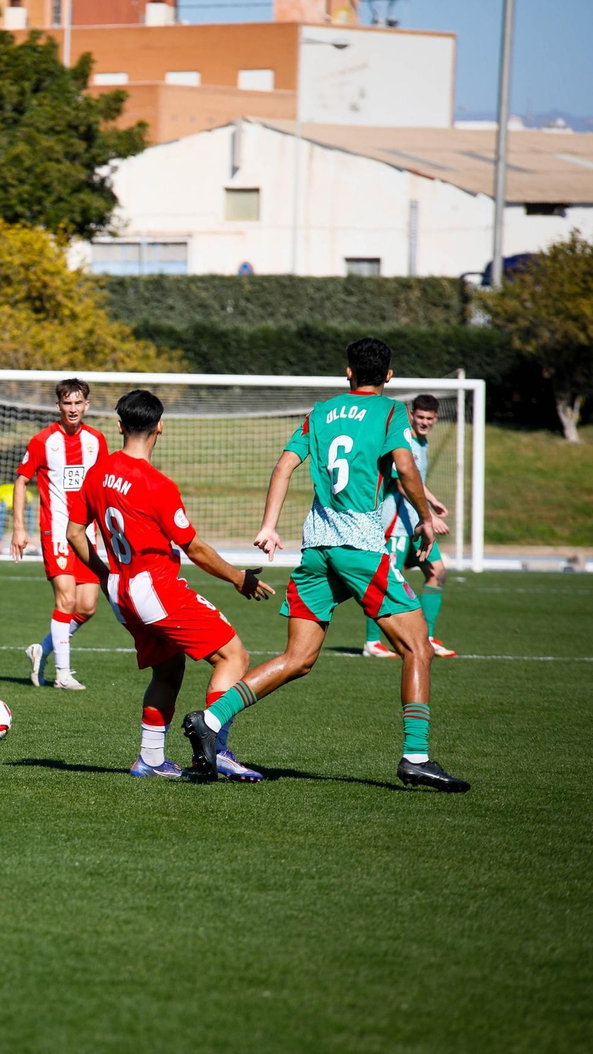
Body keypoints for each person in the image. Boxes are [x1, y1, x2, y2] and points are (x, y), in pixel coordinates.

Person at [181, 337, 470, 792]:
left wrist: (270, 526)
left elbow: (283, 467)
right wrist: (425, 516)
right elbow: (406, 468)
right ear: (389, 376)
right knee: (418, 647)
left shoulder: (320, 412)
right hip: (360, 548)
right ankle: (416, 757)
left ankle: (211, 719)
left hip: (316, 547)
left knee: (298, 658)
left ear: (348, 372)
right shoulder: (392, 412)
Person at [66, 390, 276, 780]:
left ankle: (149, 759)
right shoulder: (157, 484)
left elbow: (75, 534)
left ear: (119, 426)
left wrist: (105, 574)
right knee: (234, 657)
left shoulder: (97, 473)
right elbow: (193, 546)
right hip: (156, 588)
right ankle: (220, 747)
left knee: (167, 670)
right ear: (160, 426)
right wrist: (238, 578)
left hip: (121, 592)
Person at [11, 378, 106, 691]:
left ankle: (42, 649)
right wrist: (19, 528)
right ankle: (62, 675)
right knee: (65, 598)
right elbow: (22, 481)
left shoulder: (97, 441)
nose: (73, 409)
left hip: (87, 533)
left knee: (87, 605)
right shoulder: (43, 441)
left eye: (79, 403)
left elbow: (104, 489)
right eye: (68, 403)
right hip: (56, 532)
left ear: (87, 406)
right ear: (58, 406)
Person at [364, 393, 455, 659]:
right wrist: (431, 515)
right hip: (396, 524)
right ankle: (372, 642)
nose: (424, 422)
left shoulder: (422, 442)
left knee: (437, 572)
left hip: (415, 524)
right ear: (412, 415)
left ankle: (427, 638)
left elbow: (416, 481)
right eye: (420, 417)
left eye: (429, 418)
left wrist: (433, 502)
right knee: (384, 582)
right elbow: (404, 483)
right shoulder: (403, 441)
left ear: (435, 418)